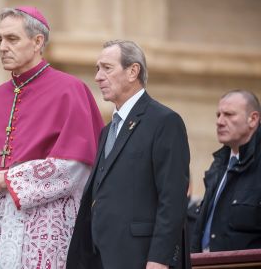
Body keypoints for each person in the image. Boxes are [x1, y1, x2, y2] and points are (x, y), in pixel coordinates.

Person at [0, 6, 103, 268]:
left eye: (12, 39)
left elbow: (76, 167)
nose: (3, 47)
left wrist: (9, 179)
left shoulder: (70, 91)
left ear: (38, 42)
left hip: (46, 225)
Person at [67, 40, 190, 269]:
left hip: (140, 258)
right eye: (97, 69)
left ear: (133, 71)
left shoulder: (164, 121)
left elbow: (172, 198)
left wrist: (159, 259)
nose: (98, 77)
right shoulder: (107, 130)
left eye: (107, 68)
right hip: (100, 258)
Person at [191, 90, 261, 253]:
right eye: (218, 115)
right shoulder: (219, 165)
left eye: (229, 115)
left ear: (253, 119)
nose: (220, 122)